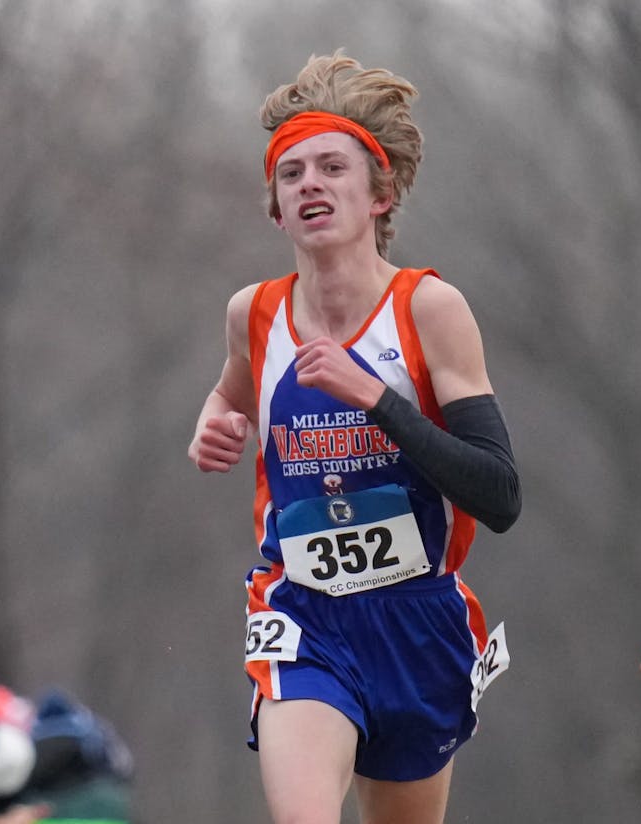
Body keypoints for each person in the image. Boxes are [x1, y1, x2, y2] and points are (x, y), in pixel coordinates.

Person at [186, 52, 521, 823]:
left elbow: (499, 496)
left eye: (332, 167)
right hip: (304, 613)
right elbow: (228, 393)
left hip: (418, 619)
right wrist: (212, 426)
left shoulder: (429, 309)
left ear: (381, 193)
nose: (310, 183)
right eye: (292, 173)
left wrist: (376, 399)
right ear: (275, 209)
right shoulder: (254, 315)